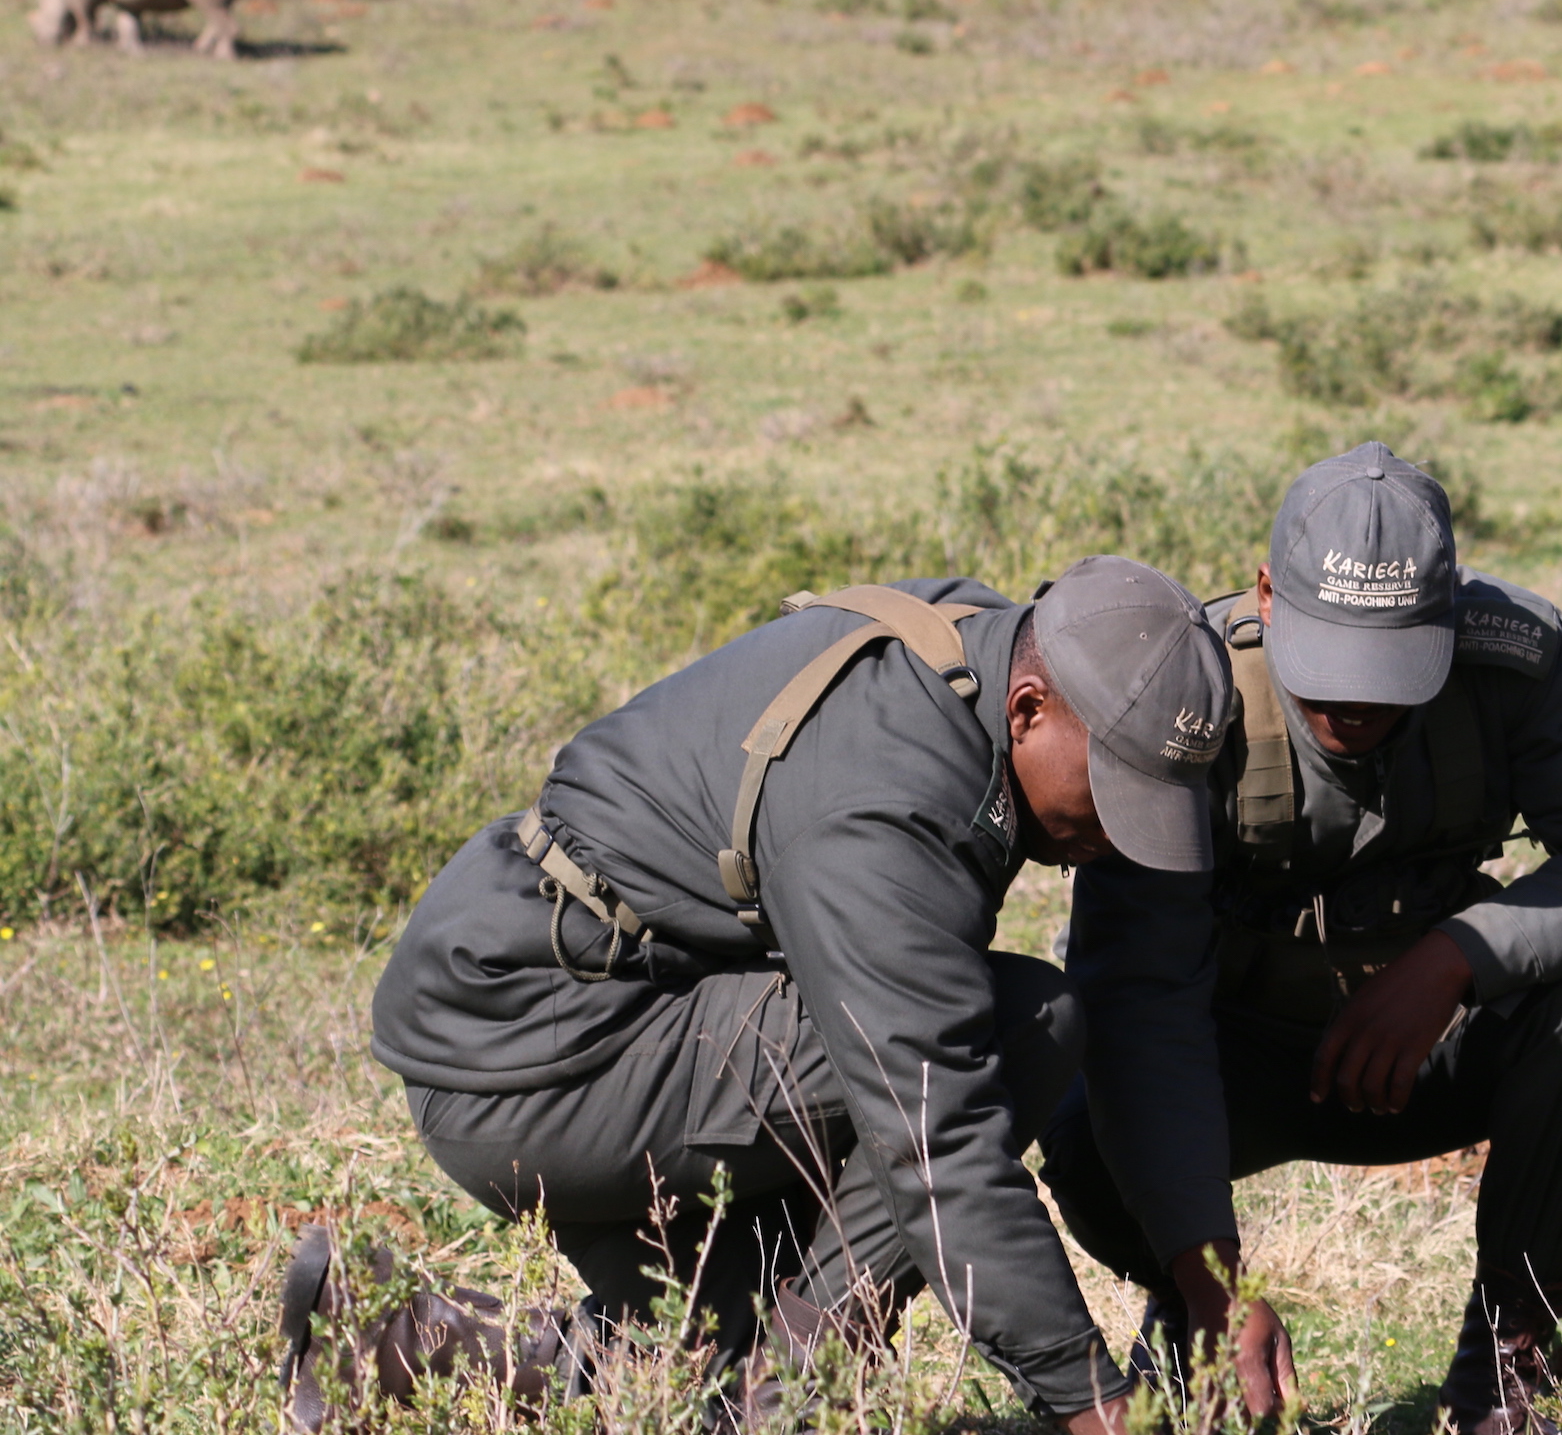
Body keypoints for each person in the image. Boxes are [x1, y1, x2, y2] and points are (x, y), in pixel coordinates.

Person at [293, 558, 1239, 1430]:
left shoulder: (971, 646)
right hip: (537, 1056)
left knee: (696, 1348)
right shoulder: (886, 807)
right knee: (1015, 1028)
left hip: (596, 1007)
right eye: (1112, 794)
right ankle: (783, 1400)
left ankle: (382, 1334)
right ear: (1028, 710)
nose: (1122, 836)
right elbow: (935, 1134)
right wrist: (1093, 1401)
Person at [1041, 442, 1562, 1435]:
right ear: (1267, 594)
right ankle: (1194, 1317)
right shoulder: (1194, 689)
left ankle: (1502, 1372)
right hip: (1227, 1071)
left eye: (1393, 672)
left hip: (1426, 1052)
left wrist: (1456, 957)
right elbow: (1135, 996)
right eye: (1328, 667)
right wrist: (1214, 1271)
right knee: (1079, 1084)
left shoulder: (1513, 658)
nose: (1356, 704)